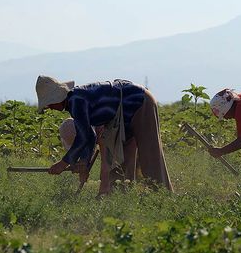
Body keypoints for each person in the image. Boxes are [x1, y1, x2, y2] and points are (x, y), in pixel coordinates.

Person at [36, 75, 173, 192]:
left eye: (50, 104)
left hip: (138, 102)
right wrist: (84, 162)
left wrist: (64, 162)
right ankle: (122, 197)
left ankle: (163, 197)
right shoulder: (74, 101)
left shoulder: (76, 100)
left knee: (150, 156)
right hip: (123, 117)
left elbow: (83, 138)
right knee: (121, 163)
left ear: (57, 98)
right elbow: (89, 136)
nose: (50, 108)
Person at [59, 118, 139, 195]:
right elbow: (86, 152)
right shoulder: (88, 125)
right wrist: (82, 167)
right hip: (123, 132)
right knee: (116, 180)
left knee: (124, 178)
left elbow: (106, 165)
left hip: (129, 133)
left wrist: (102, 193)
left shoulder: (102, 130)